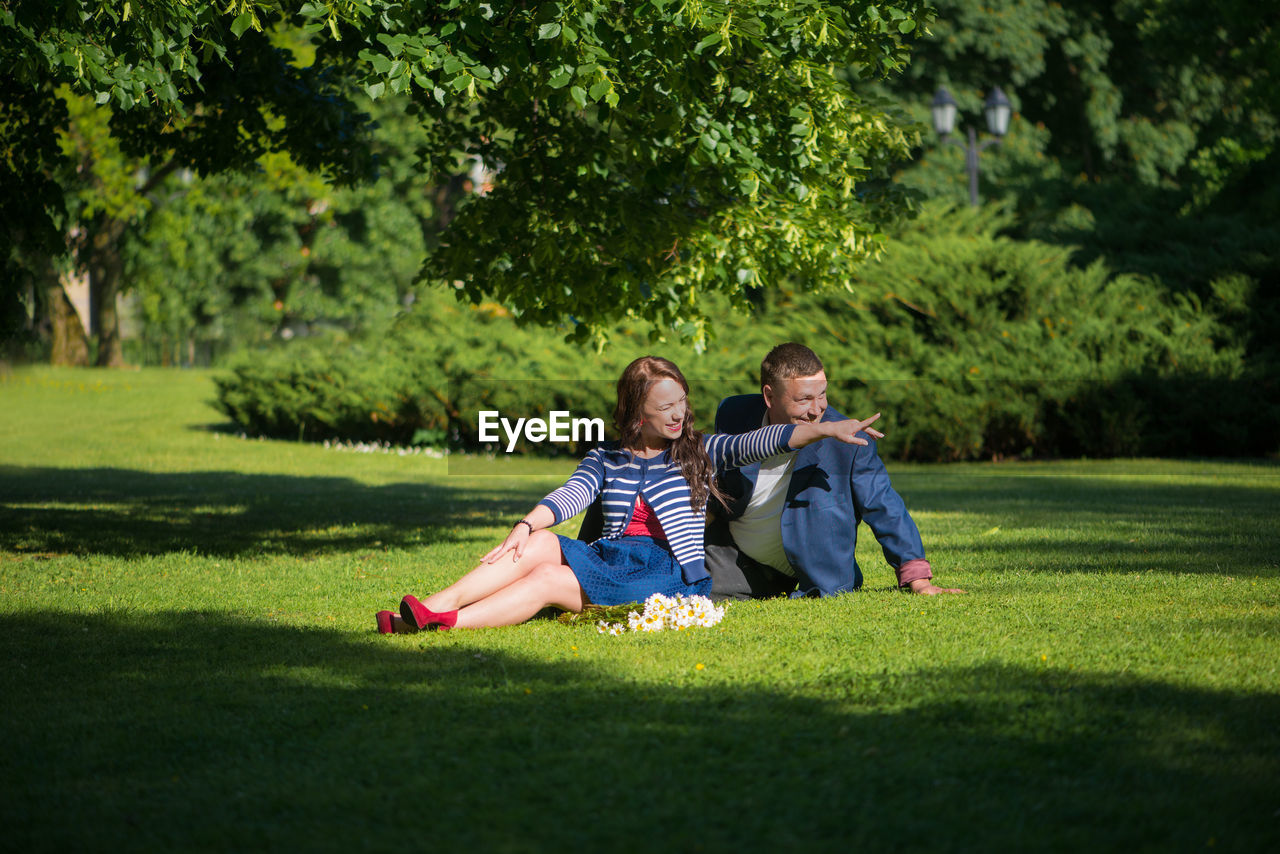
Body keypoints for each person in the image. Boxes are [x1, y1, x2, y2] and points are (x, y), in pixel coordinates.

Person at [377, 355, 885, 632]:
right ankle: (424, 610)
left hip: (665, 573)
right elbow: (572, 495)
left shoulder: (702, 452)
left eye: (682, 402)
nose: (678, 415)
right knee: (534, 545)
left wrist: (825, 430)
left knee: (549, 578)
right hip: (609, 556)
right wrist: (527, 523)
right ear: (636, 413)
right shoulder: (607, 458)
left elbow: (764, 439)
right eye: (665, 407)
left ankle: (448, 624)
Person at [707, 342, 963, 599]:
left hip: (816, 576)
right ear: (769, 396)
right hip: (732, 558)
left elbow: (883, 505)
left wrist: (917, 577)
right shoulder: (734, 413)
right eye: (804, 399)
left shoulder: (850, 442)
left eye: (822, 395)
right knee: (679, 589)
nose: (817, 409)